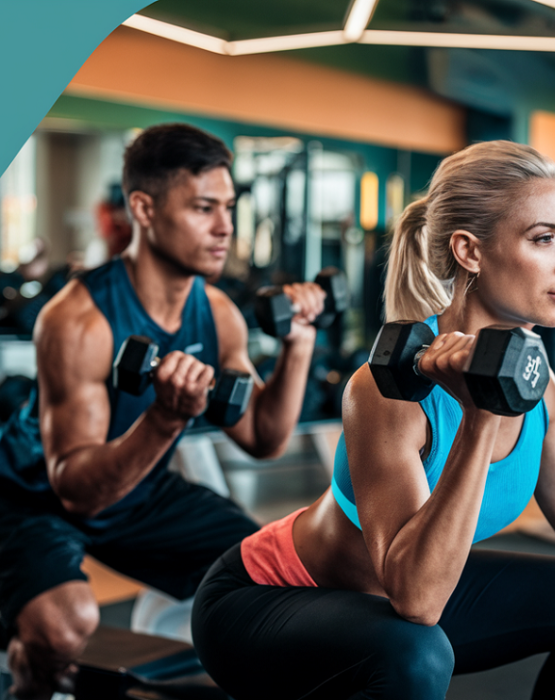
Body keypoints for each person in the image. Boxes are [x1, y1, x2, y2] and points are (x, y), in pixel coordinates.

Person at [190, 140, 555, 700]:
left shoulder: (539, 387)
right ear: (469, 251)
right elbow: (415, 601)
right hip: (265, 604)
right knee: (416, 653)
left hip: (394, 608)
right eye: (544, 239)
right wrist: (479, 416)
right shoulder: (389, 389)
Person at [0, 123, 324, 700]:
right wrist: (165, 418)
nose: (225, 227)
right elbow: (78, 491)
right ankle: (30, 673)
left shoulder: (218, 313)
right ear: (143, 208)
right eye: (204, 208)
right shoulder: (75, 321)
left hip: (139, 487)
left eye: (228, 207)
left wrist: (300, 344)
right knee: (64, 626)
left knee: (267, 583)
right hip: (31, 494)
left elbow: (263, 437)